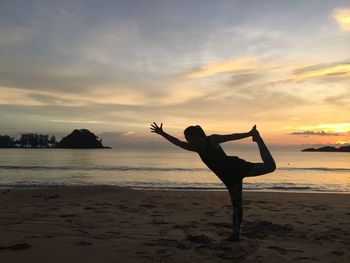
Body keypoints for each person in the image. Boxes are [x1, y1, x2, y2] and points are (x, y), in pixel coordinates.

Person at [150, 122, 276, 241]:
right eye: (187, 138)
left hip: (237, 168)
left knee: (271, 167)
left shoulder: (212, 140)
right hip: (229, 179)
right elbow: (177, 143)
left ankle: (258, 139)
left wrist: (249, 134)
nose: (188, 140)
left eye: (189, 137)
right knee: (237, 206)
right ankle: (235, 235)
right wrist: (163, 133)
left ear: (197, 135)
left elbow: (231, 136)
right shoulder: (196, 148)